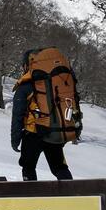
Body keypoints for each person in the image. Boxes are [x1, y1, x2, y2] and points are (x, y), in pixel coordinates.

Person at [11, 49, 74, 181]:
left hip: (32, 133)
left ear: (27, 65)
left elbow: (18, 116)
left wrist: (15, 139)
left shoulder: (25, 86)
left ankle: (32, 196)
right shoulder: (54, 82)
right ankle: (72, 194)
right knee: (59, 167)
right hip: (53, 130)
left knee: (28, 166)